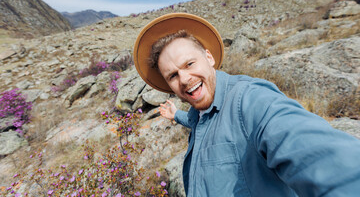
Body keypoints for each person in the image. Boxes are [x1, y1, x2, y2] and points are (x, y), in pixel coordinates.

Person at [133, 13, 360, 197]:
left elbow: (326, 160)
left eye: (190, 63)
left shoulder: (250, 99)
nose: (184, 79)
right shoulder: (197, 112)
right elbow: (195, 120)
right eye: (173, 75)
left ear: (209, 58)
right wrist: (175, 116)